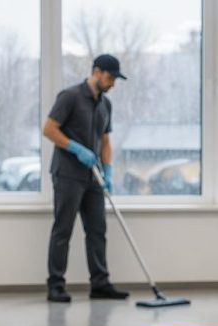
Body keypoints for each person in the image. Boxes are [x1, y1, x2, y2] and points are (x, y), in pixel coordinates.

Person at [42, 54, 127, 303]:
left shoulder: (105, 105)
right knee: (63, 230)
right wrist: (75, 148)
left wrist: (108, 170)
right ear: (97, 71)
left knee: (98, 230)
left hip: (94, 177)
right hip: (68, 174)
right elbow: (49, 129)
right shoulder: (70, 97)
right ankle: (56, 286)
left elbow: (106, 140)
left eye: (115, 79)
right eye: (110, 77)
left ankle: (100, 284)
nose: (112, 83)